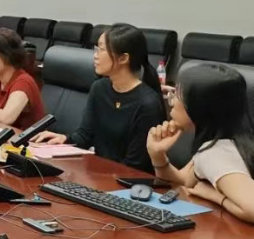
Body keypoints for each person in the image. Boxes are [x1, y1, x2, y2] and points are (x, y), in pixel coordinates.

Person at [32, 23, 164, 172]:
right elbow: (85, 136)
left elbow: (135, 166)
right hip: (100, 173)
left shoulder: (148, 103)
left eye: (101, 49)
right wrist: (65, 139)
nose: (95, 55)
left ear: (123, 58)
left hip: (127, 180)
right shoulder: (100, 88)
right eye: (96, 48)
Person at [147, 63, 254, 223]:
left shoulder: (216, 155)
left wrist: (215, 196)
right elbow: (185, 182)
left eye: (178, 95)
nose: (172, 101)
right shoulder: (222, 140)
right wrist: (157, 155)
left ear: (200, 107)